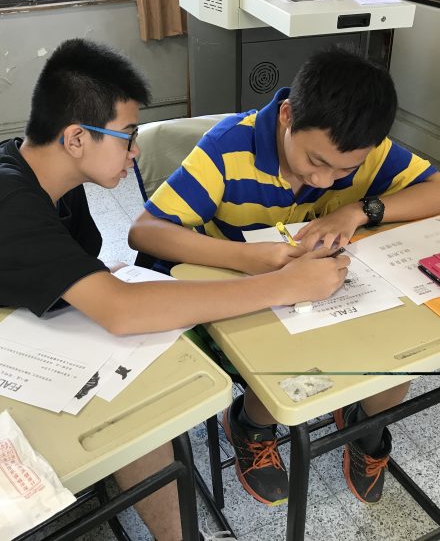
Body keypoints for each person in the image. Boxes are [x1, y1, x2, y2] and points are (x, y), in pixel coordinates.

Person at [0, 39, 349, 541]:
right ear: (76, 138)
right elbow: (121, 310)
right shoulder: (12, 199)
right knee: (131, 405)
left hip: (26, 329)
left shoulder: (55, 187)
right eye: (127, 136)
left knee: (137, 398)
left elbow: (71, 274)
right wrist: (282, 286)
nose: (135, 151)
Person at [129, 47, 440, 507]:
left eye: (345, 169)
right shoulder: (228, 148)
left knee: (403, 342)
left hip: (328, 286)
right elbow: (145, 231)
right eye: (316, 160)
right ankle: (252, 424)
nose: (325, 179)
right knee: (285, 356)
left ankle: (366, 423)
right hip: (246, 289)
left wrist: (359, 210)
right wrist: (247, 258)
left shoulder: (364, 146)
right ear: (287, 115)